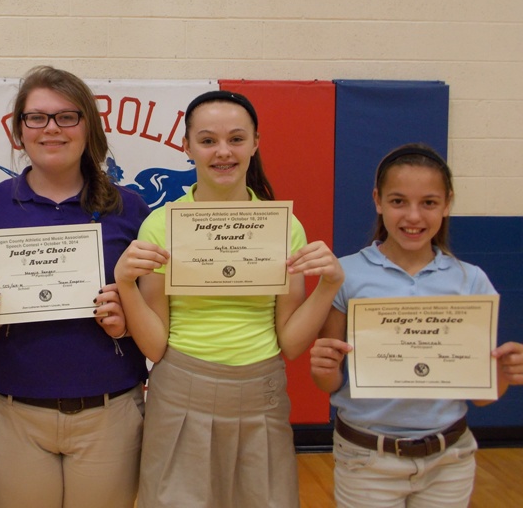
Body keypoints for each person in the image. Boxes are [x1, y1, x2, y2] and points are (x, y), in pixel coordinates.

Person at [114, 89, 344, 508]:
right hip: (180, 389)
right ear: (187, 147)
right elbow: (154, 346)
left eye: (236, 139)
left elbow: (291, 343)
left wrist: (329, 286)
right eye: (208, 140)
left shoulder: (284, 227)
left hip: (261, 393)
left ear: (255, 144)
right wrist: (125, 285)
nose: (223, 151)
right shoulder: (160, 225)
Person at [0, 65, 150, 508]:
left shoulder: (130, 208)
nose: (51, 128)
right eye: (37, 117)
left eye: (67, 116)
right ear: (19, 130)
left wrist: (128, 318)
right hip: (14, 410)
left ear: (88, 127)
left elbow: (155, 307)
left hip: (110, 409)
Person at [310, 143, 523, 507]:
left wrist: (503, 372)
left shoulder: (470, 280)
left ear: (447, 204)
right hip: (367, 457)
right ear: (378, 201)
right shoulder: (345, 274)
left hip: (449, 459)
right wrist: (323, 367)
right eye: (398, 201)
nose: (413, 216)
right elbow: (330, 382)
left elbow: (483, 395)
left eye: (428, 202)